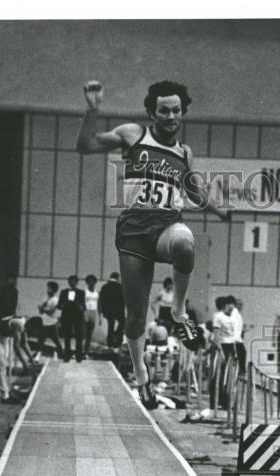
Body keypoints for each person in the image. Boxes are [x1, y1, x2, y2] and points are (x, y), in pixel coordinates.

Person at [77, 78, 232, 408]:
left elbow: (193, 192)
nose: (171, 117)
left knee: (187, 245)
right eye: (164, 111)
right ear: (152, 113)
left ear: (182, 113)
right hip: (134, 231)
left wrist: (220, 210)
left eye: (177, 111)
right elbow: (86, 145)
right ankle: (142, 377)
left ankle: (177, 312)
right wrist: (92, 111)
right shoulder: (134, 134)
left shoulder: (184, 153)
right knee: (134, 318)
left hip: (165, 226)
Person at [57, 275, 86, 363]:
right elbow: (59, 305)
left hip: (78, 317)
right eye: (71, 281)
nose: (72, 283)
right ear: (69, 282)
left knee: (79, 337)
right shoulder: (63, 292)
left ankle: (79, 357)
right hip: (66, 316)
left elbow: (83, 306)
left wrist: (75, 303)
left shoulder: (81, 292)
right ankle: (67, 356)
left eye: (74, 281)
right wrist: (64, 304)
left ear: (77, 282)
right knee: (67, 337)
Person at [98, 272, 125, 351]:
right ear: (117, 278)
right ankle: (116, 336)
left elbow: (101, 300)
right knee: (122, 322)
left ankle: (110, 343)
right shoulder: (120, 286)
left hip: (108, 311)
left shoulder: (105, 287)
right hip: (118, 310)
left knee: (110, 326)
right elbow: (123, 299)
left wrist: (103, 311)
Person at [36, 280, 63, 356]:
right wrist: (41, 308)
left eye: (49, 288)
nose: (47, 290)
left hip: (52, 323)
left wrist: (42, 308)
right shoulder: (46, 299)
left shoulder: (56, 300)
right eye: (48, 288)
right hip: (44, 322)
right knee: (41, 340)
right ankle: (37, 354)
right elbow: (41, 312)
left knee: (56, 340)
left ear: (54, 290)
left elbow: (51, 312)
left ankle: (62, 353)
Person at [83, 274, 100, 357]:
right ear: (87, 283)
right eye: (89, 281)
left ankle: (86, 351)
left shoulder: (97, 293)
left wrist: (100, 317)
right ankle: (82, 350)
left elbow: (99, 305)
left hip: (93, 313)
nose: (91, 283)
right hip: (86, 312)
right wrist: (83, 314)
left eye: (93, 281)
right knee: (84, 333)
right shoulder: (84, 292)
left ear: (95, 282)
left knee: (89, 334)